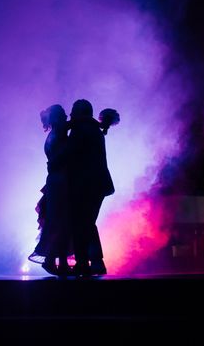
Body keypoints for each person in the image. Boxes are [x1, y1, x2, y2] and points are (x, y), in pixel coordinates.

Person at [66, 99, 116, 277]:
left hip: (86, 184)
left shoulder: (81, 130)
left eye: (73, 110)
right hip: (97, 184)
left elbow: (70, 155)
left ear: (79, 112)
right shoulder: (94, 129)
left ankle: (84, 263)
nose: (70, 114)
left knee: (80, 223)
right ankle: (94, 262)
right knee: (87, 223)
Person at [28, 104, 73, 276]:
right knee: (61, 220)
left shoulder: (52, 135)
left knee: (59, 220)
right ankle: (52, 260)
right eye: (63, 114)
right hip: (60, 182)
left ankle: (58, 261)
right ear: (58, 117)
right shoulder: (59, 133)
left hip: (55, 181)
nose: (67, 117)